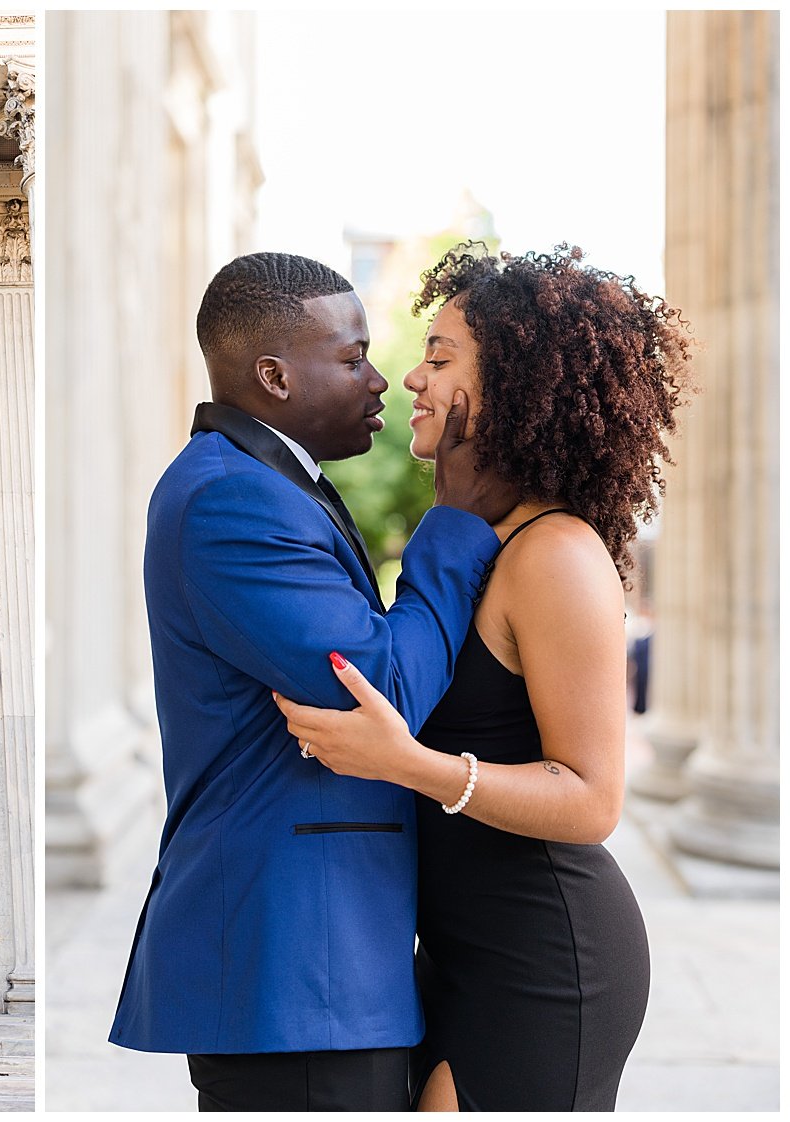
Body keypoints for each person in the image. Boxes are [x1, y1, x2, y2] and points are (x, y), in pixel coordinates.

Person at [275, 243, 692, 1111]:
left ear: (514, 385)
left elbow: (592, 799)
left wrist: (406, 764)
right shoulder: (478, 544)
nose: (412, 379)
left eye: (440, 357)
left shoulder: (556, 555)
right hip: (460, 950)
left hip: (546, 959)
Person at [109, 252, 520, 1111]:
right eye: (351, 356)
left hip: (324, 966)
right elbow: (383, 688)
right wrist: (454, 517)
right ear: (275, 376)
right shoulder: (232, 500)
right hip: (296, 969)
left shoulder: (269, 484)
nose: (381, 379)